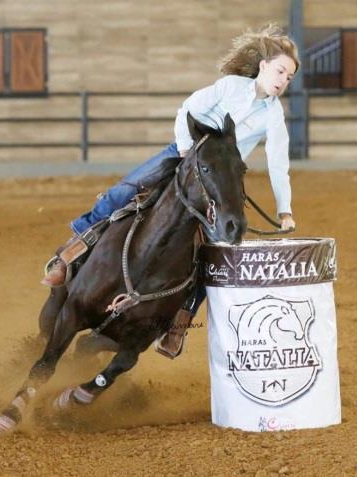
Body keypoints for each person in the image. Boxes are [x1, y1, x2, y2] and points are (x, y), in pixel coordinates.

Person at [42, 23, 300, 357]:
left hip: (216, 178)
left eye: (289, 77)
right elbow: (187, 110)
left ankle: (179, 322)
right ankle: (70, 253)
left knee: (218, 251)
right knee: (123, 192)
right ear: (264, 67)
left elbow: (279, 164)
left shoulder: (274, 116)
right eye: (280, 70)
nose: (283, 80)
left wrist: (285, 210)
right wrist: (182, 148)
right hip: (182, 155)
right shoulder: (229, 87)